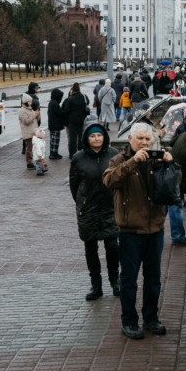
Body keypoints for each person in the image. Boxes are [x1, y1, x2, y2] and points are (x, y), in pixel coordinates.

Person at [103, 123, 173, 339]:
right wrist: (133, 162)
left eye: (147, 139)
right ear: (130, 139)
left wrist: (171, 165)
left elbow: (174, 187)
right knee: (129, 279)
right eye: (140, 138)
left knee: (154, 278)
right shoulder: (119, 160)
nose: (144, 143)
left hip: (155, 228)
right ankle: (129, 321)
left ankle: (151, 318)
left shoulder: (156, 157)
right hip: (130, 230)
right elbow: (109, 180)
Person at [70, 121, 120, 301]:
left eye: (99, 135)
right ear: (87, 138)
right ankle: (96, 285)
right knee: (90, 247)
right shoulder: (78, 158)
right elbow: (74, 186)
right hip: (88, 210)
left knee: (113, 246)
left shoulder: (114, 154)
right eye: (92, 136)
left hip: (110, 207)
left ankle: (115, 281)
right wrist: (83, 203)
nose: (96, 138)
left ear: (104, 137)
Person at [61, 82, 89, 159]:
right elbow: (88, 103)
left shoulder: (70, 99)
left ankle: (72, 154)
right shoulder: (84, 97)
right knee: (81, 136)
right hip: (82, 120)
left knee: (72, 138)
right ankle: (81, 152)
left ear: (73, 90)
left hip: (72, 121)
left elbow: (66, 110)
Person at [18, 94, 39, 169]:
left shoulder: (29, 109)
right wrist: (34, 115)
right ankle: (29, 163)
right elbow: (26, 121)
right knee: (29, 149)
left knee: (33, 148)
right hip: (28, 133)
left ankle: (35, 162)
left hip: (33, 132)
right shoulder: (22, 111)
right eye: (29, 102)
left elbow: (33, 119)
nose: (31, 103)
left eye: (31, 101)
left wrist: (37, 114)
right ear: (25, 102)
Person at [47, 88, 66, 160]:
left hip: (52, 124)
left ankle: (53, 152)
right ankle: (54, 154)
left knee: (52, 140)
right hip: (56, 125)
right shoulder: (55, 104)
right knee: (55, 140)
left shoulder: (51, 102)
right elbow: (60, 113)